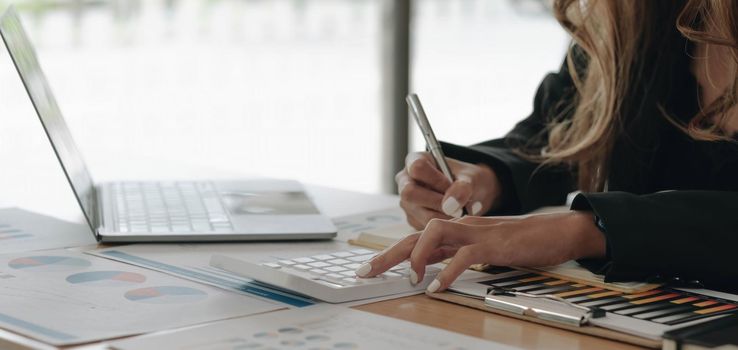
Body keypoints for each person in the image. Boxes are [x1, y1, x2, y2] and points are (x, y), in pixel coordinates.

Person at [354, 0, 738, 293]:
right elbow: (563, 133)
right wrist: (488, 178)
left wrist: (585, 231)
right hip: (647, 318)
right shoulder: (631, 15)